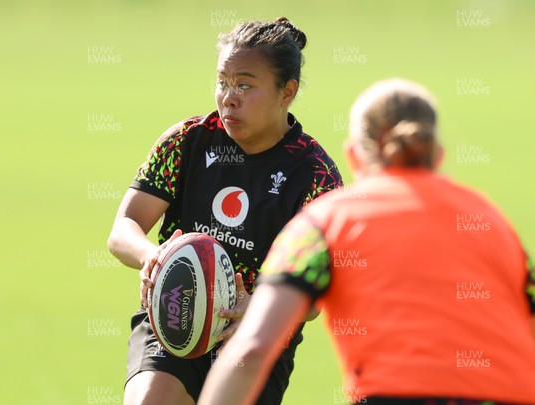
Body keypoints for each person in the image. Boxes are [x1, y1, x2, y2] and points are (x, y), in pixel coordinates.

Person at [199, 78, 535, 405]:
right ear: (437, 155)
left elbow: (254, 347)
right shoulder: (490, 219)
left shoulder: (325, 221)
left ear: (354, 156)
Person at [107, 17, 344, 405]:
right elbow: (123, 228)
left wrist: (263, 304)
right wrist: (155, 257)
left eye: (245, 85)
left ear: (287, 92)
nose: (228, 97)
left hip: (255, 339)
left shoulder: (316, 175)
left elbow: (318, 296)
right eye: (223, 82)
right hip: (175, 317)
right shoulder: (187, 141)